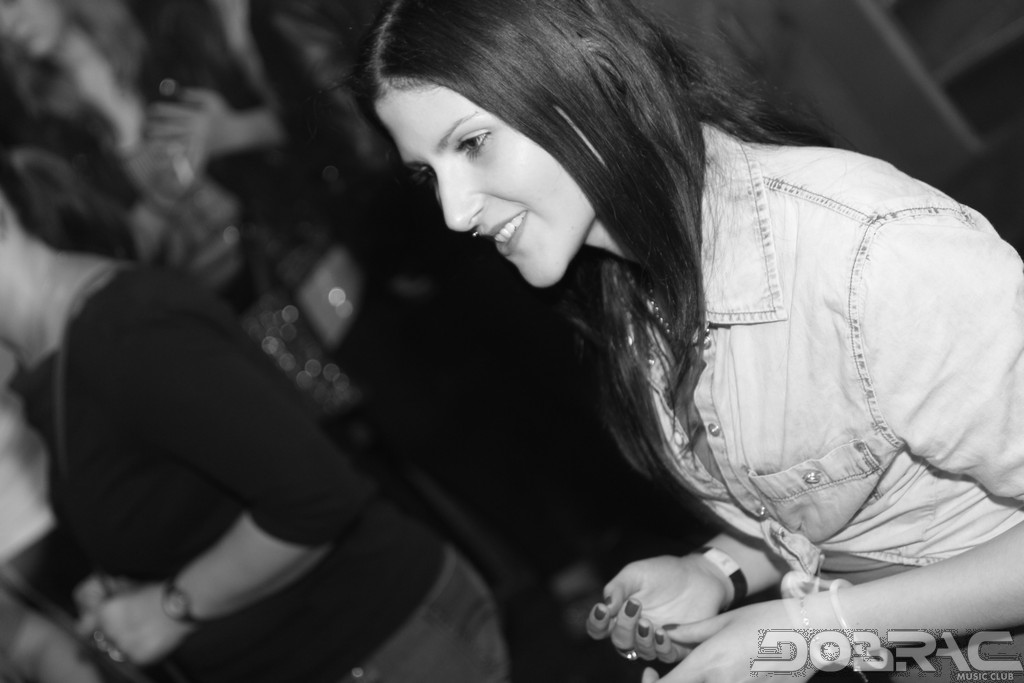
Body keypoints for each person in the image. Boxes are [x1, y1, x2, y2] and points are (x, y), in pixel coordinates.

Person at [350, 0, 1024, 680]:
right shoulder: (632, 284)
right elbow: (849, 483)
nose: (454, 211)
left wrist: (808, 633)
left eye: (471, 144)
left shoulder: (869, 252)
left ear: (592, 76)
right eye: (428, 173)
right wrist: (717, 570)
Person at [0, 145, 509, 683]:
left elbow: (316, 498)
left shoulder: (125, 330)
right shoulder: (58, 358)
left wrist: (171, 606)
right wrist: (136, 580)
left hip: (387, 646)